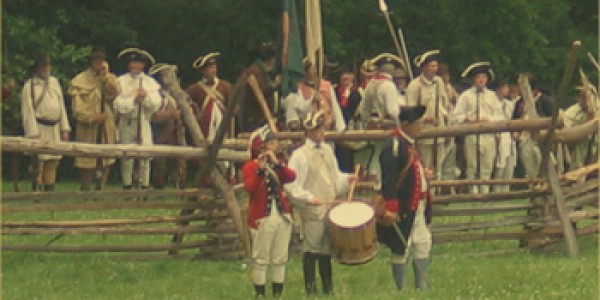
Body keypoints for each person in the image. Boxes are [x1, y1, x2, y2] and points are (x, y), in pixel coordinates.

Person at [284, 110, 355, 295]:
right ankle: (310, 288)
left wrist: (347, 180)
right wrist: (308, 198)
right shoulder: (300, 155)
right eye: (316, 130)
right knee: (312, 249)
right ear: (308, 132)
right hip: (313, 209)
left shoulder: (327, 150)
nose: (321, 133)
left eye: (322, 129)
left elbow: (334, 177)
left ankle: (328, 288)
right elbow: (292, 184)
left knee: (325, 250)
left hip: (328, 206)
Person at [375, 105, 432, 291]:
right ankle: (401, 288)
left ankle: (420, 287)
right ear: (406, 124)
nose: (420, 126)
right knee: (401, 246)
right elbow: (389, 178)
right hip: (404, 206)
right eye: (417, 123)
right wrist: (391, 207)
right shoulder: (394, 144)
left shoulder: (408, 144)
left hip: (418, 205)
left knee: (422, 242)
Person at [242, 126, 296, 298]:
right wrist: (260, 169)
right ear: (261, 146)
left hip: (281, 216)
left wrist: (276, 164)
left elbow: (291, 176)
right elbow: (250, 188)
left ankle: (277, 295)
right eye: (271, 143)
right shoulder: (250, 166)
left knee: (280, 258)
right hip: (262, 218)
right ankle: (260, 295)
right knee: (261, 259)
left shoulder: (278, 165)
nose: (275, 146)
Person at [69, 47, 120, 190]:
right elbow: (77, 109)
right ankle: (85, 188)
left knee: (106, 159)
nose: (99, 64)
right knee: (87, 159)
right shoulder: (79, 81)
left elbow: (115, 92)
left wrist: (107, 75)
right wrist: (92, 117)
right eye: (96, 61)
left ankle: (100, 188)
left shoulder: (108, 78)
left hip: (106, 124)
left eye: (101, 61)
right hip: (88, 127)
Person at [113, 47, 162, 190]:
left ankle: (144, 185)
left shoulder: (150, 82)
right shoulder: (120, 81)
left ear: (143, 65)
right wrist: (134, 99)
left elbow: (156, 104)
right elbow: (118, 105)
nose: (135, 66)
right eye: (133, 63)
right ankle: (127, 185)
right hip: (127, 122)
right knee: (126, 156)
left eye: (138, 63)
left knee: (145, 155)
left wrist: (145, 97)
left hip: (144, 121)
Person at [21, 54, 71, 191]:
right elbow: (28, 111)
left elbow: (61, 106)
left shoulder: (54, 82)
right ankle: (37, 190)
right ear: (36, 68)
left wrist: (64, 128)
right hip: (39, 128)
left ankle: (50, 190)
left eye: (47, 65)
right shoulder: (29, 86)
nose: (45, 68)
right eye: (42, 66)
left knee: (53, 160)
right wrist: (32, 133)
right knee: (39, 162)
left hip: (54, 128)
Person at [451, 62, 502, 194]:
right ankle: (473, 192)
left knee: (487, 165)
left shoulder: (492, 95)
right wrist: (468, 119)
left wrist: (489, 120)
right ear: (474, 79)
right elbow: (456, 116)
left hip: (489, 135)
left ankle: (484, 192)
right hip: (472, 135)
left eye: (484, 77)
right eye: (479, 77)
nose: (481, 80)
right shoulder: (466, 96)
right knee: (472, 165)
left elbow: (500, 116)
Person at [360, 53, 406, 180]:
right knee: (384, 154)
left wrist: (366, 123)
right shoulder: (389, 85)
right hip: (387, 125)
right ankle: (378, 180)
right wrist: (402, 121)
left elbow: (364, 109)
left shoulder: (371, 84)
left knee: (377, 152)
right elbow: (393, 111)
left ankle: (373, 178)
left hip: (374, 123)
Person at [405, 50, 449, 180]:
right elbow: (410, 110)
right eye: (431, 66)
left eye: (436, 66)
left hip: (438, 130)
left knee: (438, 166)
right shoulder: (414, 85)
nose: (434, 69)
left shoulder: (439, 82)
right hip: (422, 132)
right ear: (424, 67)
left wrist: (445, 126)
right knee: (424, 166)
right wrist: (426, 119)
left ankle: (436, 193)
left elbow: (444, 104)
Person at [148, 63, 186, 189]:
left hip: (177, 131)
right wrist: (170, 115)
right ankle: (159, 186)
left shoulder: (178, 93)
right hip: (161, 133)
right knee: (160, 162)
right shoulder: (155, 95)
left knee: (180, 160)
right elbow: (153, 116)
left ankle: (180, 184)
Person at [282, 58, 346, 133]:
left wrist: (340, 128)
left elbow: (335, 108)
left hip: (326, 130)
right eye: (311, 70)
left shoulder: (326, 86)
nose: (314, 71)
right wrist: (312, 101)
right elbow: (299, 109)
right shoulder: (295, 90)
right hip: (306, 132)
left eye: (314, 69)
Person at [511, 76, 554, 179]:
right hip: (525, 137)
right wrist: (516, 131)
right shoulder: (519, 103)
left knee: (544, 164)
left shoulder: (545, 101)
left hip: (542, 137)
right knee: (529, 166)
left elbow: (552, 119)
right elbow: (515, 119)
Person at [185, 52, 233, 140]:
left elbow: (233, 106)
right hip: (204, 130)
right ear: (203, 71)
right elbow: (187, 105)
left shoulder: (225, 86)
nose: (213, 70)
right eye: (210, 68)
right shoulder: (194, 89)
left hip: (224, 128)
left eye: (214, 67)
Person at [237, 42, 281, 133]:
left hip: (260, 120)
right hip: (254, 120)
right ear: (271, 59)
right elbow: (261, 92)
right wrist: (274, 85)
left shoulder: (261, 71)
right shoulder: (255, 71)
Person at [563, 84, 599, 170]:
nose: (582, 98)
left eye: (585, 95)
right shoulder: (573, 111)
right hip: (576, 149)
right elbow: (566, 126)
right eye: (580, 95)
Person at [333, 66, 362, 172]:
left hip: (350, 129)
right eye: (344, 79)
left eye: (349, 79)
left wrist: (347, 97)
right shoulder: (334, 91)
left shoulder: (356, 94)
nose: (346, 81)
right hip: (335, 129)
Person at [492, 79, 517, 192]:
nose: (507, 90)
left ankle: (506, 190)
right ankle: (496, 190)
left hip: (509, 135)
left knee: (510, 163)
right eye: (504, 87)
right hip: (498, 134)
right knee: (500, 164)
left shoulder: (509, 104)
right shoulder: (492, 103)